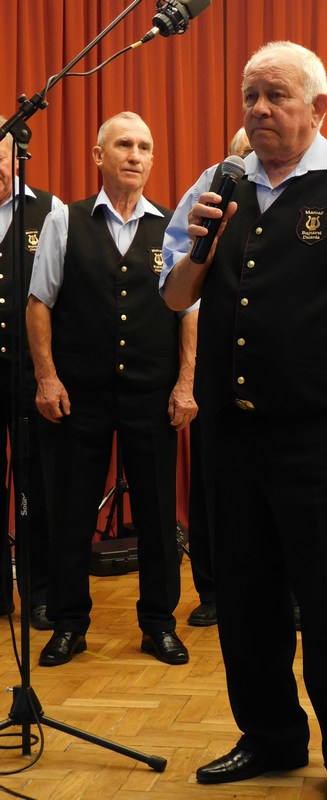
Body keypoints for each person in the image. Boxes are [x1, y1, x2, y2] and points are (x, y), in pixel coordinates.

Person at [160, 40, 327, 800]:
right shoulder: (218, 183)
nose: (260, 109)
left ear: (318, 107)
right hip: (231, 434)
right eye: (250, 96)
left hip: (318, 435)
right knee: (245, 597)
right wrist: (201, 244)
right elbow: (174, 296)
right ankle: (269, 737)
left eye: (276, 95)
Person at [26, 111, 198, 667]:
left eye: (144, 147)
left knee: (157, 514)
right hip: (80, 395)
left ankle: (159, 624)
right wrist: (47, 377)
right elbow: (38, 304)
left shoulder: (173, 227)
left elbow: (189, 312)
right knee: (71, 512)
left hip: (153, 394)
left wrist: (186, 383)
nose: (135, 156)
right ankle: (69, 623)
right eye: (124, 145)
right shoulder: (64, 220)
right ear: (99, 155)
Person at [185, 125, 252, 629]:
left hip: (279, 377)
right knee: (210, 490)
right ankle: (211, 591)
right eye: (243, 155)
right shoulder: (210, 189)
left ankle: (291, 594)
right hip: (217, 370)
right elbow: (178, 285)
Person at [0, 116, 62, 631]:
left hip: (29, 372)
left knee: (36, 484)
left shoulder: (51, 210)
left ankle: (39, 594)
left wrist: (51, 373)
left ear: (16, 156)